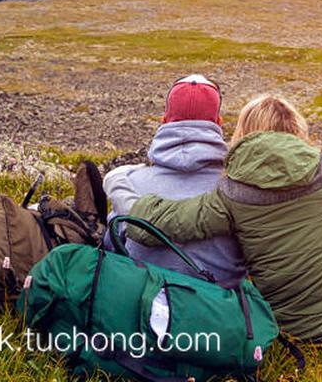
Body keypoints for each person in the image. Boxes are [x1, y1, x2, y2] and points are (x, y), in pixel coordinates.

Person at [104, 94, 322, 344]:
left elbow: (151, 226)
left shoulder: (231, 194)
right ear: (298, 132)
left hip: (274, 329)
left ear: (244, 135)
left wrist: (117, 181)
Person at [105, 74, 247, 287]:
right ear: (218, 123)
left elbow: (112, 249)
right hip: (221, 315)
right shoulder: (238, 189)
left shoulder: (129, 183)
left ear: (164, 121)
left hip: (143, 312)